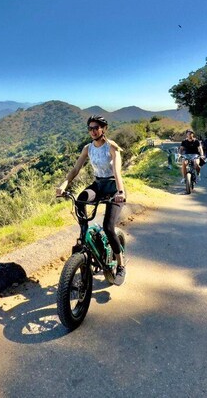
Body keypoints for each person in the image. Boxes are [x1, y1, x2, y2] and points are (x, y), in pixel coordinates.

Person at [56, 115, 127, 286]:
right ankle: (85, 237)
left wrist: (120, 191)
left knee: (108, 227)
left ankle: (121, 265)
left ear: (104, 129)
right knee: (80, 200)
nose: (93, 131)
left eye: (96, 127)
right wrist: (64, 184)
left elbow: (117, 172)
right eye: (90, 128)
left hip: (113, 187)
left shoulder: (112, 148)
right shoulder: (88, 148)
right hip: (98, 185)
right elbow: (76, 168)